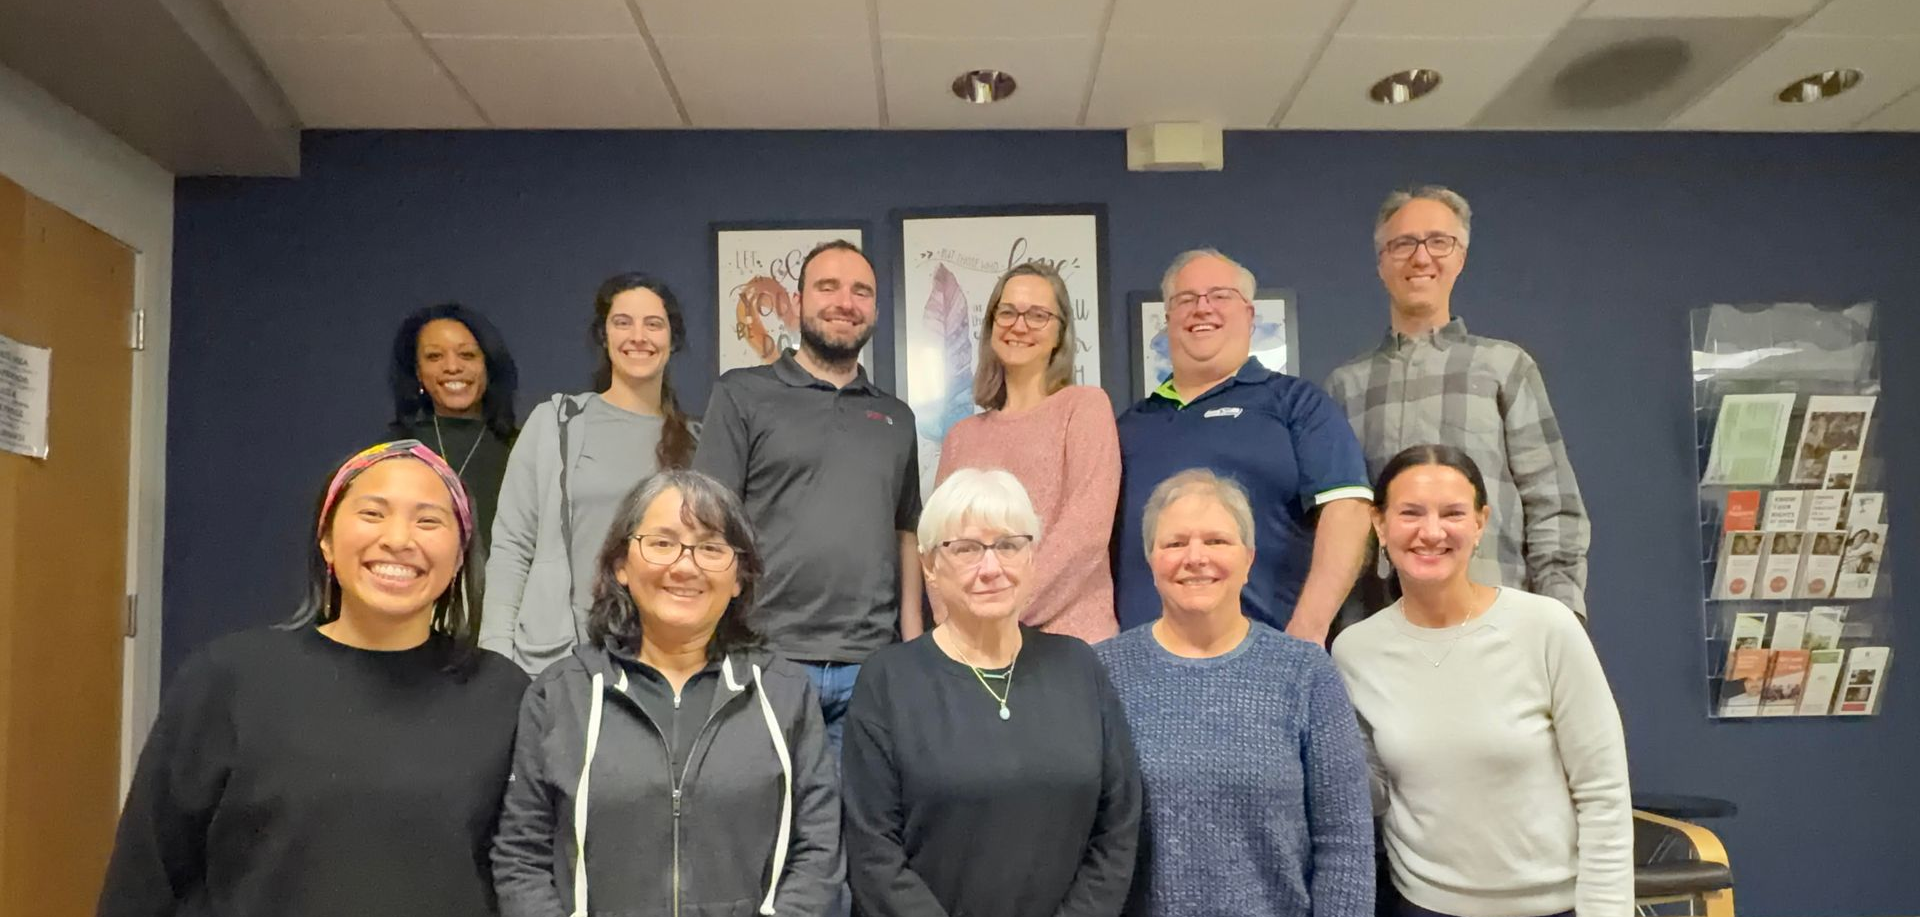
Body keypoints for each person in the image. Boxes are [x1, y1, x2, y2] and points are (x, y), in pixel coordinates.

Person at [97, 441, 529, 917]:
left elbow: (527, 873)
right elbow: (147, 873)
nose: (399, 539)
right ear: (326, 539)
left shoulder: (503, 695)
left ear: (460, 554)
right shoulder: (229, 680)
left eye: (429, 521)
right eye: (373, 513)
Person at [492, 469, 841, 917]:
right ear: (621, 564)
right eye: (662, 543)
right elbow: (521, 858)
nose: (685, 565)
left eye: (711, 548)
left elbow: (818, 852)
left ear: (739, 578)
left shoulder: (786, 695)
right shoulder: (560, 696)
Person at [1331, 445, 1630, 917]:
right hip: (1422, 906)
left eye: (1452, 513)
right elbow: (1370, 789)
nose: (1432, 532)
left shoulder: (1546, 627)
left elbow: (1604, 794)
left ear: (1480, 522)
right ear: (1380, 524)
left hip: (1555, 907)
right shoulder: (1355, 651)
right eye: (1410, 513)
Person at [843, 468, 1140, 917]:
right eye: (965, 549)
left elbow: (1118, 825)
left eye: (1008, 545)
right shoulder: (887, 681)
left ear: (1031, 556)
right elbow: (873, 853)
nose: (991, 568)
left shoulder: (1079, 666)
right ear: (930, 565)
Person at [1097, 469, 1373, 917]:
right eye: (1174, 543)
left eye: (1216, 541)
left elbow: (1344, 844)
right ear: (1150, 560)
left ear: (1249, 558)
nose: (1195, 557)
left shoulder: (1305, 674)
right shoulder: (1102, 672)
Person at [696, 240, 921, 752]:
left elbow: (906, 532)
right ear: (796, 304)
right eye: (828, 287)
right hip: (766, 656)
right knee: (764, 826)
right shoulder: (741, 395)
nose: (846, 301)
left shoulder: (896, 418)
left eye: (860, 291)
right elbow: (709, 525)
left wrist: (913, 647)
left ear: (876, 312)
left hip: (871, 665)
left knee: (852, 829)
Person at [1326, 186, 1589, 618]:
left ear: (1461, 258)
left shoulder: (1505, 367)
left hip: (1496, 619)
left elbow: (1553, 506)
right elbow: (1335, 524)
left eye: (1438, 242)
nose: (1421, 257)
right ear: (1381, 263)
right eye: (1403, 244)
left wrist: (1563, 619)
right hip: (1380, 625)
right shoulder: (1346, 386)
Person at [1115, 249, 1373, 645]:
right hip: (1143, 668)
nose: (1202, 309)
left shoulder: (1296, 403)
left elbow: (1348, 510)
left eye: (1219, 296)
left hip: (1264, 658)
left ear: (1250, 316)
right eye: (1185, 299)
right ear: (1167, 321)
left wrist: (1308, 632)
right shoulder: (1129, 426)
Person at [484, 273, 699, 674]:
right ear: (603, 336)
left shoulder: (696, 441)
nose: (639, 336)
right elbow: (512, 548)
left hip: (656, 664)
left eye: (653, 324)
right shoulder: (556, 423)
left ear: (674, 339)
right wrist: (496, 658)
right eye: (623, 322)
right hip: (556, 660)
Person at [935, 261, 1119, 642]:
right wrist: (954, 630)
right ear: (990, 327)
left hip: (1070, 643)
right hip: (976, 650)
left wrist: (999, 617)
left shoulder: (1084, 408)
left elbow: (1085, 534)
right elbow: (941, 549)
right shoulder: (960, 437)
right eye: (1007, 312)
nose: (1019, 326)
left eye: (1037, 315)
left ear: (1059, 334)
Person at [386, 302, 520, 559]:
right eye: (435, 357)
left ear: (489, 366)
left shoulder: (523, 451)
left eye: (467, 355)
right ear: (418, 372)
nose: (452, 367)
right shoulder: (392, 454)